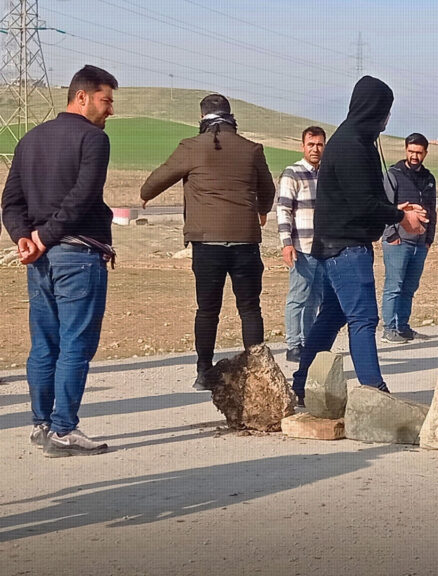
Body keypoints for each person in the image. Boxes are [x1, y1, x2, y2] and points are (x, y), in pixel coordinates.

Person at [1, 65, 118, 457]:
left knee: (44, 344)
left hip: (41, 260)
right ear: (81, 97)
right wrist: (38, 237)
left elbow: (11, 203)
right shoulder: (94, 140)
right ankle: (65, 429)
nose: (111, 110)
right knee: (74, 344)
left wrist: (24, 237)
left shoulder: (29, 140)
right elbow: (81, 198)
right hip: (77, 256)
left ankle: (40, 425)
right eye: (106, 100)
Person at [291, 76, 427, 405]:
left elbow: (363, 198)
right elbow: (361, 203)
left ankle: (300, 385)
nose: (387, 118)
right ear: (373, 109)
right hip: (344, 248)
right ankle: (373, 394)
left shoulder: (357, 140)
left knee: (332, 316)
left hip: (341, 244)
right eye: (385, 110)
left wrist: (395, 208)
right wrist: (400, 218)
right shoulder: (350, 144)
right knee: (363, 317)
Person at [140, 94, 276, 390]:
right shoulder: (251, 149)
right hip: (245, 241)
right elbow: (268, 189)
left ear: (202, 118)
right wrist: (262, 211)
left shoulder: (191, 147)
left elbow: (158, 178)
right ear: (231, 116)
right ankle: (258, 372)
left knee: (207, 309)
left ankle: (203, 371)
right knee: (250, 308)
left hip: (207, 243)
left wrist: (145, 194)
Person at [380, 132, 438, 344]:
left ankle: (403, 327)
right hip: (398, 242)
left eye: (419, 152)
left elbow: (433, 210)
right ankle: (389, 329)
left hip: (420, 243)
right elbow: (384, 208)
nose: (414, 156)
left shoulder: (429, 179)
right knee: (394, 286)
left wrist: (429, 239)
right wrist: (392, 235)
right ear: (405, 150)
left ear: (425, 153)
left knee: (409, 287)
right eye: (411, 151)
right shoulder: (393, 175)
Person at [278, 126, 327, 362]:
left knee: (316, 298)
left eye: (319, 144)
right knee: (298, 296)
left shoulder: (327, 173)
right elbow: (284, 210)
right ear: (303, 146)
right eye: (311, 144)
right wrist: (286, 243)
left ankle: (310, 342)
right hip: (301, 247)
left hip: (323, 248)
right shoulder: (293, 173)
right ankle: (293, 344)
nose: (315, 149)